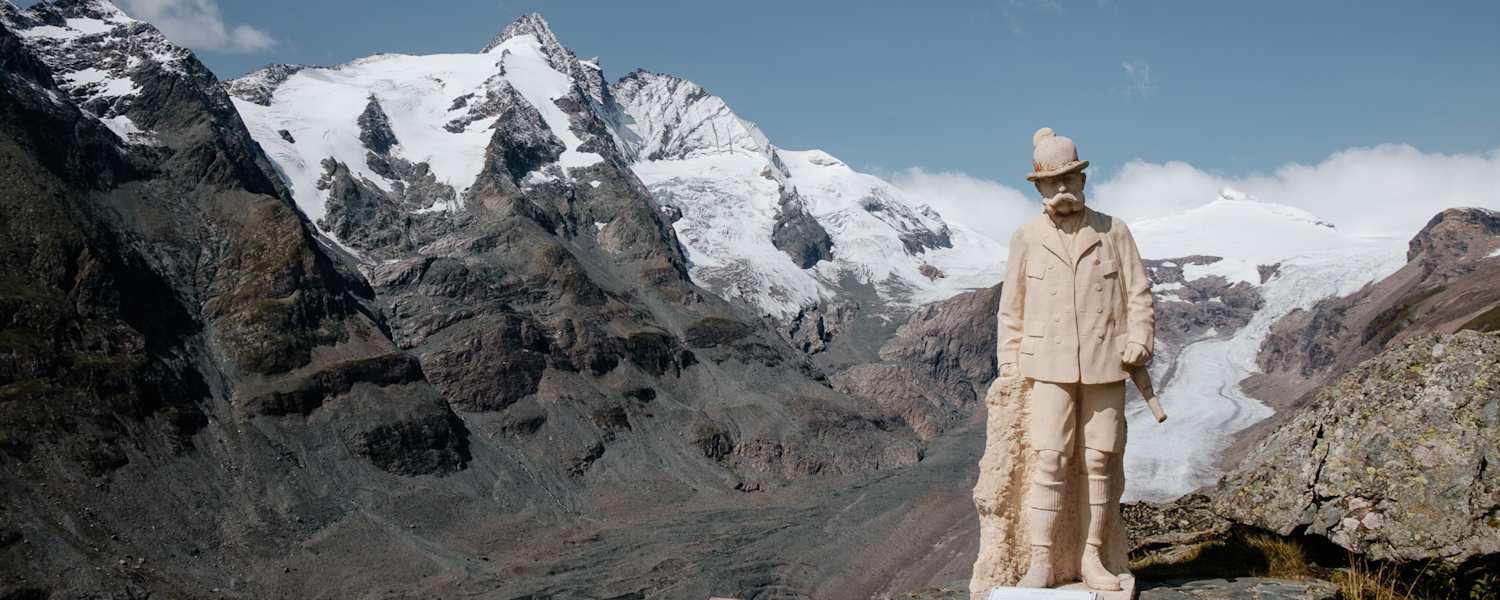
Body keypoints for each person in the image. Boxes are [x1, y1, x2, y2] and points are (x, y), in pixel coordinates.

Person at [995, 127, 1155, 590]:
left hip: (1106, 365)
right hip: (1046, 367)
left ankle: (1092, 559)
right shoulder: (1025, 238)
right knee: (1049, 461)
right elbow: (1013, 309)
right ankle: (1042, 561)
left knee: (1100, 461)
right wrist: (1010, 365)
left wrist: (1140, 338)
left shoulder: (1113, 231)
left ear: (1083, 180)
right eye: (1053, 182)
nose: (1062, 189)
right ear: (1039, 187)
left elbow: (1139, 293)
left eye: (1070, 180)